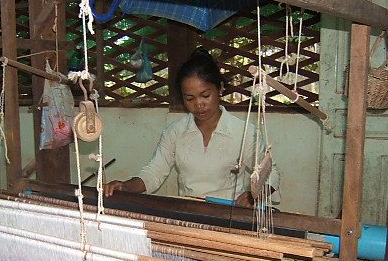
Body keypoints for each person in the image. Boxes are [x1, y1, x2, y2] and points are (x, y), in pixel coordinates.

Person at [104, 48, 280, 206]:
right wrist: (127, 186)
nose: (199, 105)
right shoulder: (176, 131)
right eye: (190, 98)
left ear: (220, 88)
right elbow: (155, 172)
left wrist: (254, 195)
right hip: (189, 213)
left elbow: (271, 173)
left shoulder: (244, 132)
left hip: (229, 215)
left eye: (205, 95)